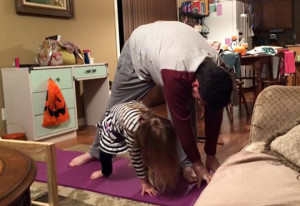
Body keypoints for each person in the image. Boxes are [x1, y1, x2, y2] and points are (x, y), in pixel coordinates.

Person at [69, 21, 233, 187]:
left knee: (188, 109)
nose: (200, 104)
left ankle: (186, 165)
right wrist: (199, 163)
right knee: (114, 107)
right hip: (139, 52)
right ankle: (96, 152)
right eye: (201, 100)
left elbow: (215, 109)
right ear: (196, 84)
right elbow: (180, 121)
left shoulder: (217, 67)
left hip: (168, 53)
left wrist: (210, 154)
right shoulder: (176, 72)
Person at [90, 101, 180, 196]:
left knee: (149, 155)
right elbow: (136, 158)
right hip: (112, 123)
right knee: (105, 152)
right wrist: (144, 182)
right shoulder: (132, 130)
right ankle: (105, 171)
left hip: (129, 113)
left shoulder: (157, 125)